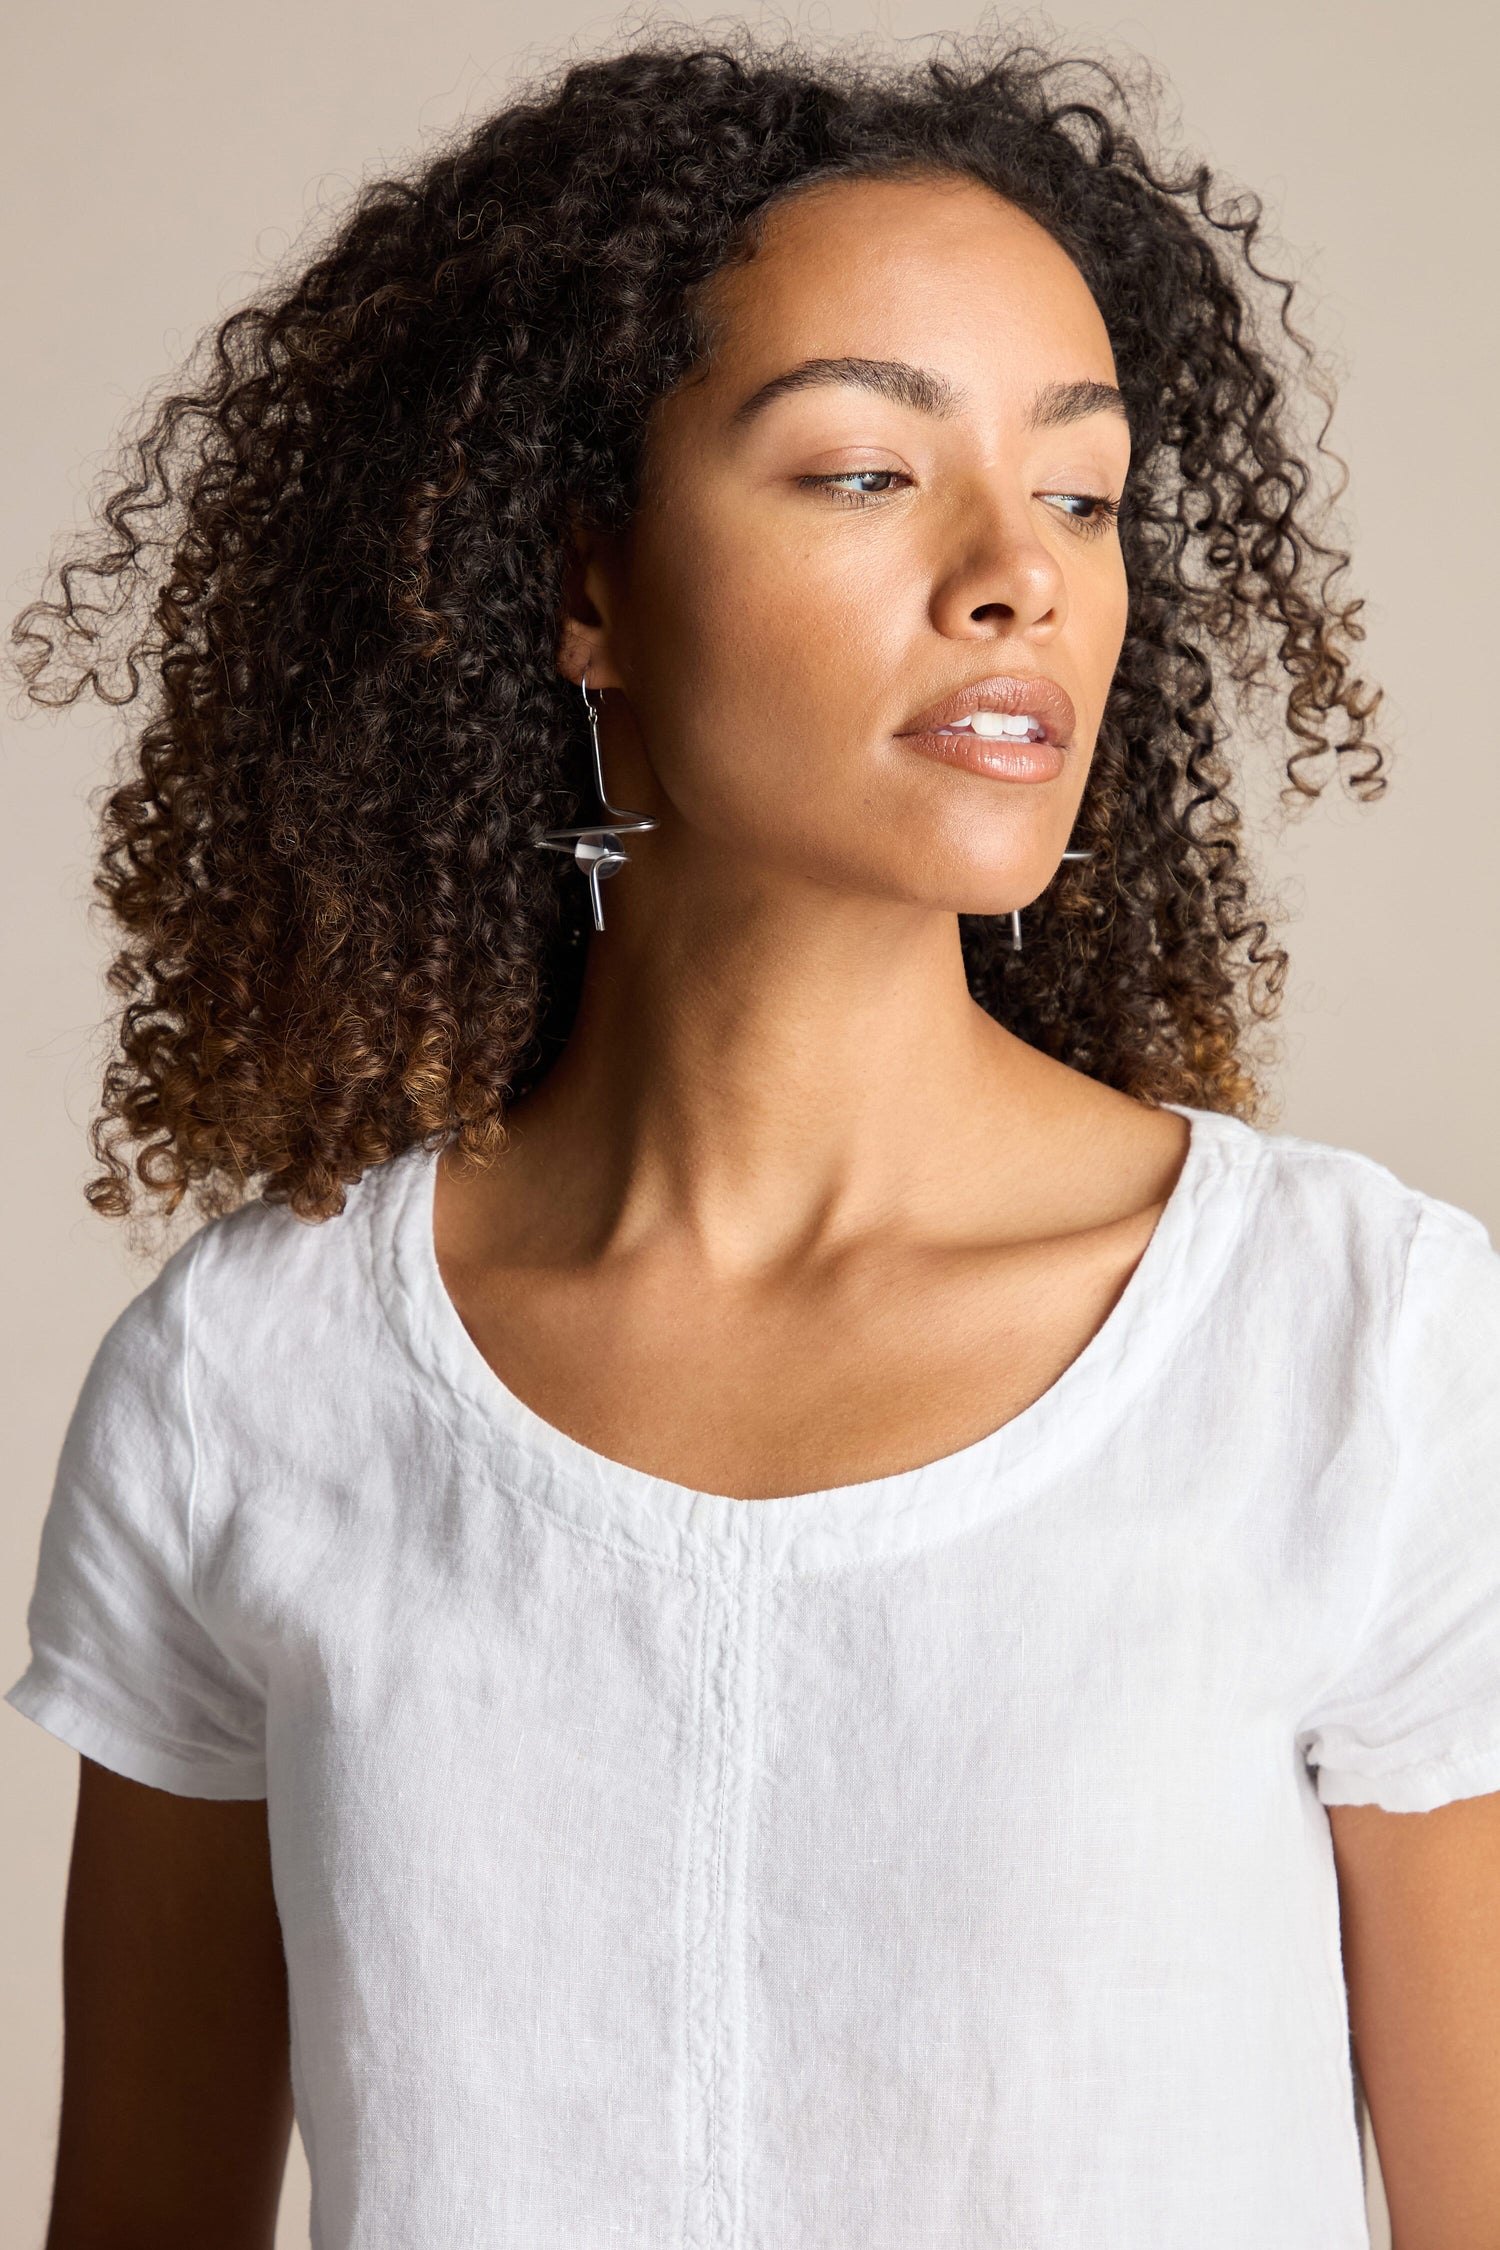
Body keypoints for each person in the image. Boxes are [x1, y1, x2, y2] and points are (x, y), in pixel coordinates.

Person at [7, 23, 1499, 2250]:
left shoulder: (1366, 1350)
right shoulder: (257, 1384)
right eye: (863, 474)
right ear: (580, 581)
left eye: (1082, 491)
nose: (1022, 576)